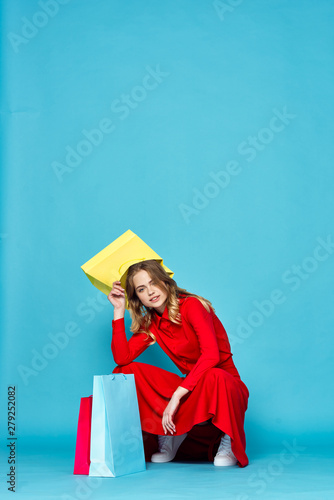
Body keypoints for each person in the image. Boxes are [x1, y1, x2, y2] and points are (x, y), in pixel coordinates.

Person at [107, 259, 249, 467]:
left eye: (153, 282)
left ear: (165, 281)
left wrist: (176, 396)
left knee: (214, 375)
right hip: (192, 388)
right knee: (126, 370)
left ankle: (229, 437)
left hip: (224, 386)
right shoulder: (151, 323)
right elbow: (121, 358)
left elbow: (211, 356)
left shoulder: (192, 306)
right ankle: (170, 433)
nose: (150, 292)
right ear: (136, 297)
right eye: (141, 289)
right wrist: (119, 310)